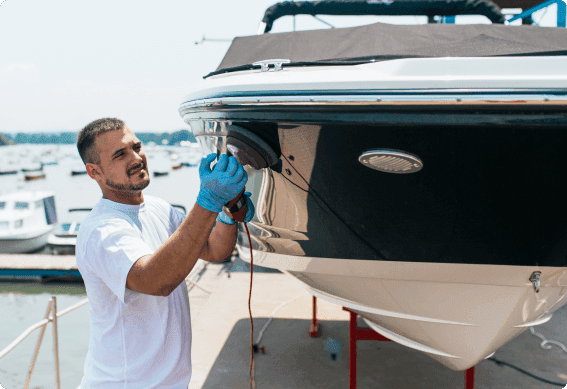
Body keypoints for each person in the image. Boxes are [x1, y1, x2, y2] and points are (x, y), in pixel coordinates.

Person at [75, 118, 254, 389]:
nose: (136, 158)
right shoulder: (101, 230)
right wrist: (208, 200)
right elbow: (157, 280)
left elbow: (216, 249)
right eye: (120, 154)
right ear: (94, 172)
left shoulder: (159, 208)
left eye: (136, 147)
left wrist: (229, 213)